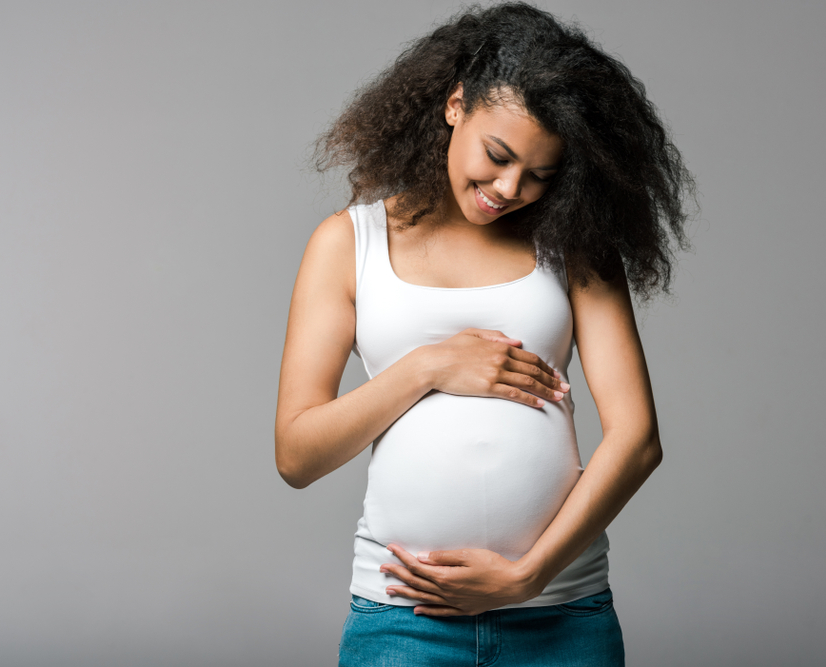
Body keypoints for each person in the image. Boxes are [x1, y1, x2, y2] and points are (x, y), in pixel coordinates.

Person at [274, 3, 696, 665]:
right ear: (454, 106)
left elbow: (638, 439)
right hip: (404, 618)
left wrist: (528, 574)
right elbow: (297, 455)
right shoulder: (348, 244)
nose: (509, 188)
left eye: (540, 174)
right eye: (497, 156)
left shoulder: (575, 245)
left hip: (563, 609)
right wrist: (430, 366)